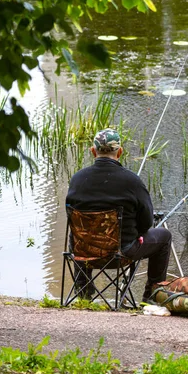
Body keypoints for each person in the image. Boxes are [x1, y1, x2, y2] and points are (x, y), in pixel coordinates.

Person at [65, 127, 172, 302]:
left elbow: (71, 219)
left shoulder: (77, 179)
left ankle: (83, 291)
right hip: (121, 255)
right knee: (164, 237)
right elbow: (146, 223)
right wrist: (137, 233)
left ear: (93, 151)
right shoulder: (132, 181)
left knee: (80, 235)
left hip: (83, 254)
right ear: (120, 152)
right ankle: (151, 297)